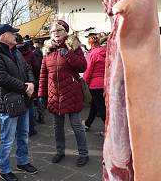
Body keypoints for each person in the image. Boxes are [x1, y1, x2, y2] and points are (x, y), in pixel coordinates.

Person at [0, 24, 38, 181]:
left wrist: (31, 82)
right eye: (13, 33)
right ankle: (3, 169)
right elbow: (0, 77)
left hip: (22, 100)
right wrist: (24, 87)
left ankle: (22, 162)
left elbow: (28, 68)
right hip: (8, 103)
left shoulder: (15, 51)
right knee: (7, 138)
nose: (16, 36)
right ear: (3, 35)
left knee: (23, 134)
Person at [38, 20, 89, 167]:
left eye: (59, 30)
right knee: (57, 127)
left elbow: (82, 66)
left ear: (66, 32)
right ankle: (60, 151)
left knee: (76, 125)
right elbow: (43, 74)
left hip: (72, 93)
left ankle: (83, 154)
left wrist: (67, 54)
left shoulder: (73, 47)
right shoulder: (47, 50)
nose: (55, 33)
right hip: (55, 94)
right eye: (53, 31)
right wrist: (41, 94)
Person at [82, 33, 107, 132]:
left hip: (95, 84)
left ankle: (109, 131)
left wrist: (85, 81)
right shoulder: (106, 52)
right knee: (95, 104)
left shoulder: (92, 54)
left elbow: (88, 70)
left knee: (101, 107)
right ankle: (88, 124)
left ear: (90, 43)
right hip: (105, 83)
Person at [16, 33, 39, 136]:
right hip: (30, 81)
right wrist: (34, 80)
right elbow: (35, 66)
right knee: (29, 105)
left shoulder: (13, 52)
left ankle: (21, 130)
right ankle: (30, 128)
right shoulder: (29, 52)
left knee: (19, 107)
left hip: (18, 83)